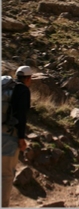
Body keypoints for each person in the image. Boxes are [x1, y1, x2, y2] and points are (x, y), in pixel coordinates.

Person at [2, 66, 32, 207]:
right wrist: (21, 138)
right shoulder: (22, 90)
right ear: (28, 78)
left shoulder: (6, 87)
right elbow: (21, 115)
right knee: (6, 175)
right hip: (8, 135)